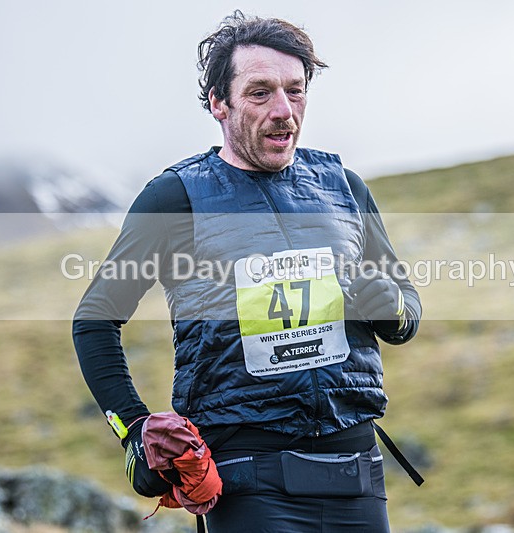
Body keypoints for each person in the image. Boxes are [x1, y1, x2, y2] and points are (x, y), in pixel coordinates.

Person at [73, 11, 422, 532]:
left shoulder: (344, 187)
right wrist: (135, 430)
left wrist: (388, 307)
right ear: (220, 103)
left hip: (355, 468)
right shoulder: (175, 197)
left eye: (295, 91)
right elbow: (95, 320)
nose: (284, 111)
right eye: (260, 93)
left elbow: (407, 309)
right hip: (245, 473)